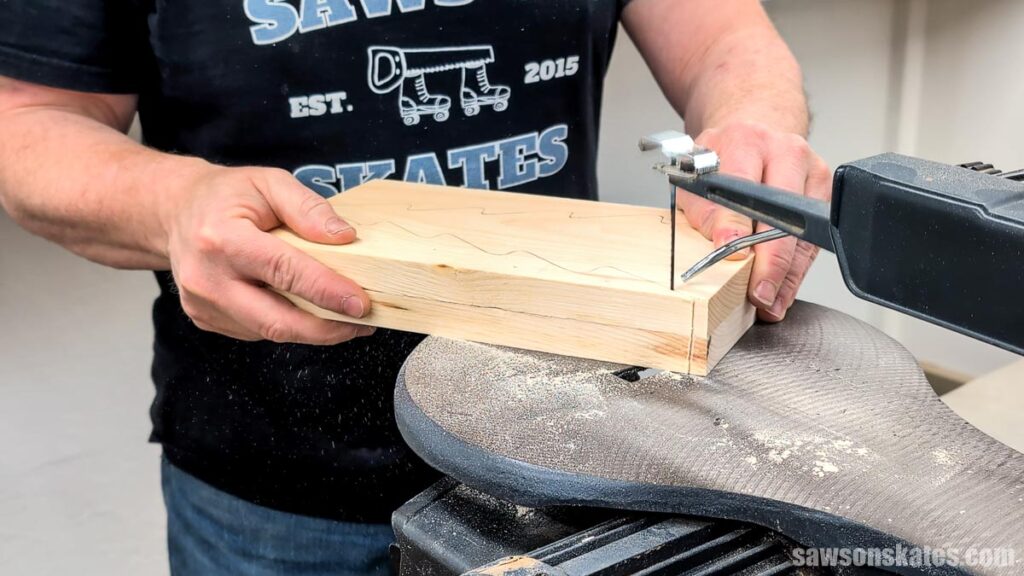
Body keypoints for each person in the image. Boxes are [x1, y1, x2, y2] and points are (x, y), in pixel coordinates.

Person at [0, 0, 830, 574]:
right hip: (272, 482)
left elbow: (727, 36)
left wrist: (755, 123)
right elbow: (26, 123)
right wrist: (175, 205)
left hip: (564, 457)